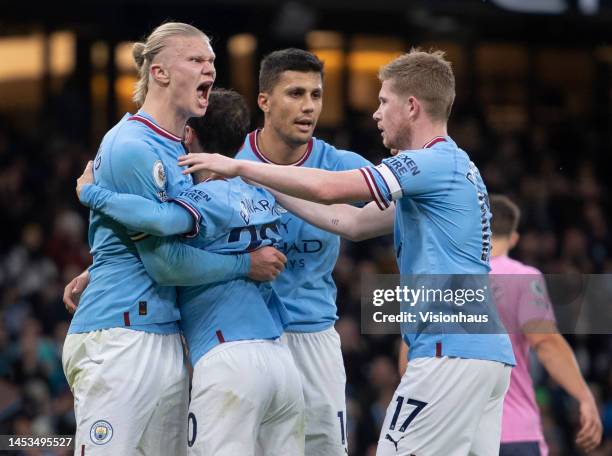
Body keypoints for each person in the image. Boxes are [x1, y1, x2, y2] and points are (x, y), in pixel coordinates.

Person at [179, 48, 517, 455]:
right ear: (265, 101)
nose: (375, 114)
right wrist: (269, 184)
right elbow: (352, 223)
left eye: (383, 102)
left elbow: (328, 189)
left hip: (448, 349)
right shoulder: (456, 167)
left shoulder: (427, 163)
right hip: (485, 353)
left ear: (411, 107)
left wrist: (240, 168)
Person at [62, 23, 284, 456]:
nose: (211, 70)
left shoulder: (179, 152)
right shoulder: (132, 145)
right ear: (160, 72)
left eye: (212, 62)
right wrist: (245, 265)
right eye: (197, 60)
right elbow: (164, 264)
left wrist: (96, 265)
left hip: (164, 334)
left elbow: (169, 227)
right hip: (121, 334)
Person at [234, 48, 376, 455]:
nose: (308, 106)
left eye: (316, 95)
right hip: (245, 337)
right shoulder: (227, 160)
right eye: (295, 93)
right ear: (264, 100)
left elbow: (413, 209)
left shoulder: (341, 166)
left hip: (314, 337)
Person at [487, 195, 602, 455]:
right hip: (511, 431)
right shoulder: (522, 277)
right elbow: (545, 342)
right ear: (514, 238)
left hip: (452, 434)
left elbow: (409, 359)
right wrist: (584, 396)